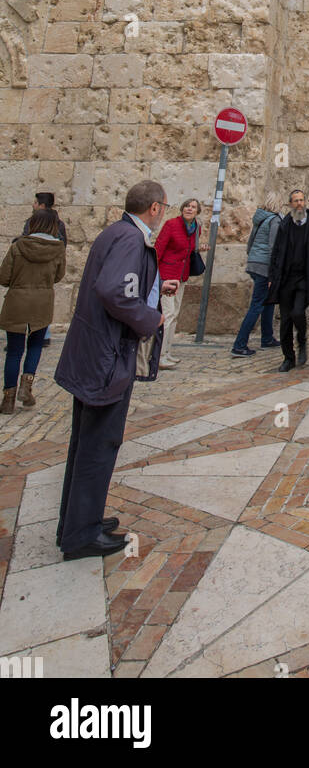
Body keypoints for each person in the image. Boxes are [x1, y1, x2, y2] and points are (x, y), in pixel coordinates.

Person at [53, 181, 174, 560]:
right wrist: (149, 319)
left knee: (85, 441)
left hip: (95, 353)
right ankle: (81, 535)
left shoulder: (114, 231)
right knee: (100, 443)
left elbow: (121, 285)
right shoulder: (130, 239)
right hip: (106, 357)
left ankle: (77, 521)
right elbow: (115, 291)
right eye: (164, 208)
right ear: (154, 208)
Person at [1, 208, 66, 413]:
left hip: (17, 301)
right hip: (42, 302)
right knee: (35, 345)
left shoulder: (18, 245)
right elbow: (59, 276)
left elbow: (4, 277)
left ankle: (8, 400)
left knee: (14, 350)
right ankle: (26, 387)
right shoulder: (58, 249)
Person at [267, 189, 309, 372]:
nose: (299, 203)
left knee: (298, 312)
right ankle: (288, 358)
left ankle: (302, 339)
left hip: (305, 277)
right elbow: (276, 252)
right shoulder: (285, 224)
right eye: (295, 201)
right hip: (286, 278)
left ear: (305, 202)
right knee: (285, 321)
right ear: (290, 204)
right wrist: (272, 276)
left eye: (302, 200)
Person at [153, 198, 203, 370]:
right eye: (187, 206)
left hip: (182, 276)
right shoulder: (171, 225)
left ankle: (167, 352)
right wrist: (153, 273)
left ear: (197, 211)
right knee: (167, 314)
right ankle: (158, 355)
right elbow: (159, 247)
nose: (189, 209)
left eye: (193, 207)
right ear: (182, 209)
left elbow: (191, 251)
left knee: (174, 315)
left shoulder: (196, 228)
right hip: (167, 275)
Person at [232, 194, 283, 357]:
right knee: (257, 305)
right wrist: (273, 273)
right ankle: (239, 344)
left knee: (268, 302)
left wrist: (252, 258)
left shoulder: (260, 218)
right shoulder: (275, 220)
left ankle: (267, 337)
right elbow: (274, 246)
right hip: (264, 266)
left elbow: (250, 242)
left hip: (255, 262)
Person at [23, 192, 66, 345]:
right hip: (47, 271)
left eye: (35, 202)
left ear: (41, 205)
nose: (33, 205)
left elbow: (23, 242)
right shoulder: (59, 224)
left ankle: (31, 333)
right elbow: (62, 247)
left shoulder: (31, 222)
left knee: (28, 301)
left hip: (30, 270)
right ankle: (43, 334)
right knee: (43, 302)